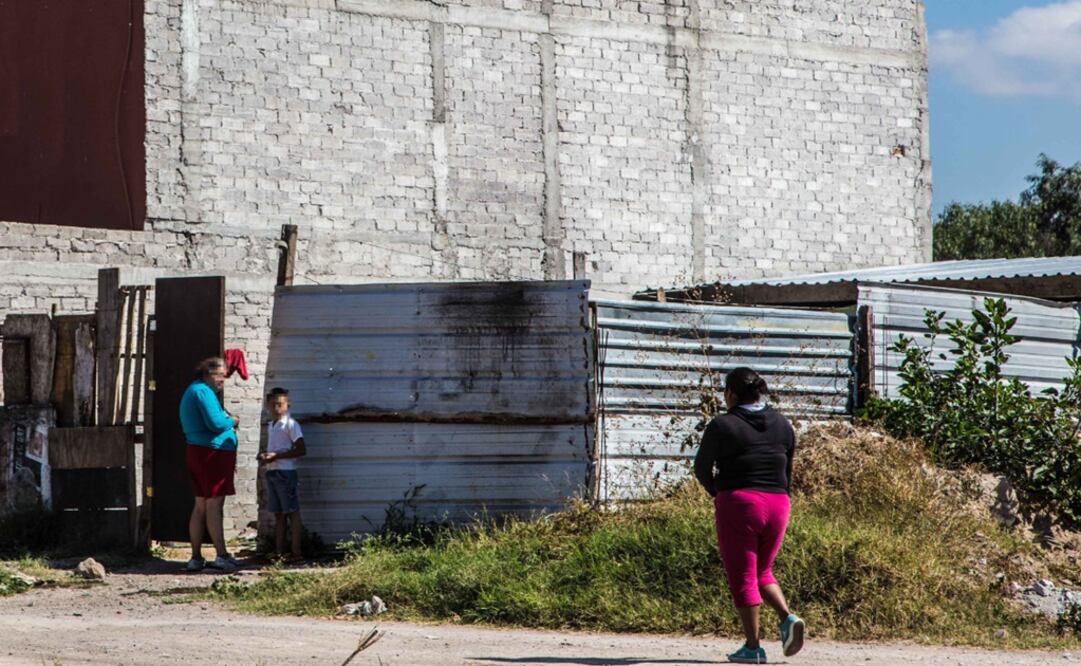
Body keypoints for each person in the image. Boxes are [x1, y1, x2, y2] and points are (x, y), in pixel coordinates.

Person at [693, 367, 804, 664]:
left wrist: (719, 493)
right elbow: (787, 470)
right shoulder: (783, 424)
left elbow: (702, 468)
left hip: (741, 503)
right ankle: (787, 617)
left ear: (730, 394)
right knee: (761, 571)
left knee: (742, 576)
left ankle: (753, 648)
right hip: (779, 503)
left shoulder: (722, 425)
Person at [179, 357, 241, 572]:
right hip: (211, 454)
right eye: (220, 376)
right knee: (215, 504)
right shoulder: (203, 392)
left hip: (199, 452)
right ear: (207, 374)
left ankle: (195, 557)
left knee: (201, 504)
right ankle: (222, 555)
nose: (223, 380)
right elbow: (215, 423)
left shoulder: (194, 390)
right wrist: (233, 421)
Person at [258, 387, 307, 562]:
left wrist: (277, 456)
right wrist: (266, 456)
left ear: (287, 405)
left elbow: (301, 449)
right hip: (273, 473)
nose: (276, 408)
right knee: (279, 514)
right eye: (273, 405)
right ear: (267, 406)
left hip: (286, 473)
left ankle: (296, 552)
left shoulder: (291, 424)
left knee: (292, 511)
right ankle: (279, 552)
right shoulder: (272, 425)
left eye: (280, 404)